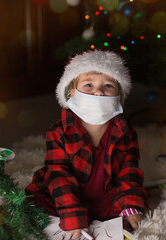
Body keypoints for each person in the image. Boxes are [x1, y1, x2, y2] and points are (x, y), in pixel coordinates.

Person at [25, 50, 147, 239]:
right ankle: (70, 211)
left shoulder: (126, 133)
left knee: (132, 206)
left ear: (119, 97)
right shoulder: (58, 132)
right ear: (72, 93)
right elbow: (59, 173)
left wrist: (130, 204)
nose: (98, 91)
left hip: (102, 195)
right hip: (67, 193)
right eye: (88, 85)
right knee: (35, 207)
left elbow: (128, 170)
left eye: (108, 85)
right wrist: (71, 212)